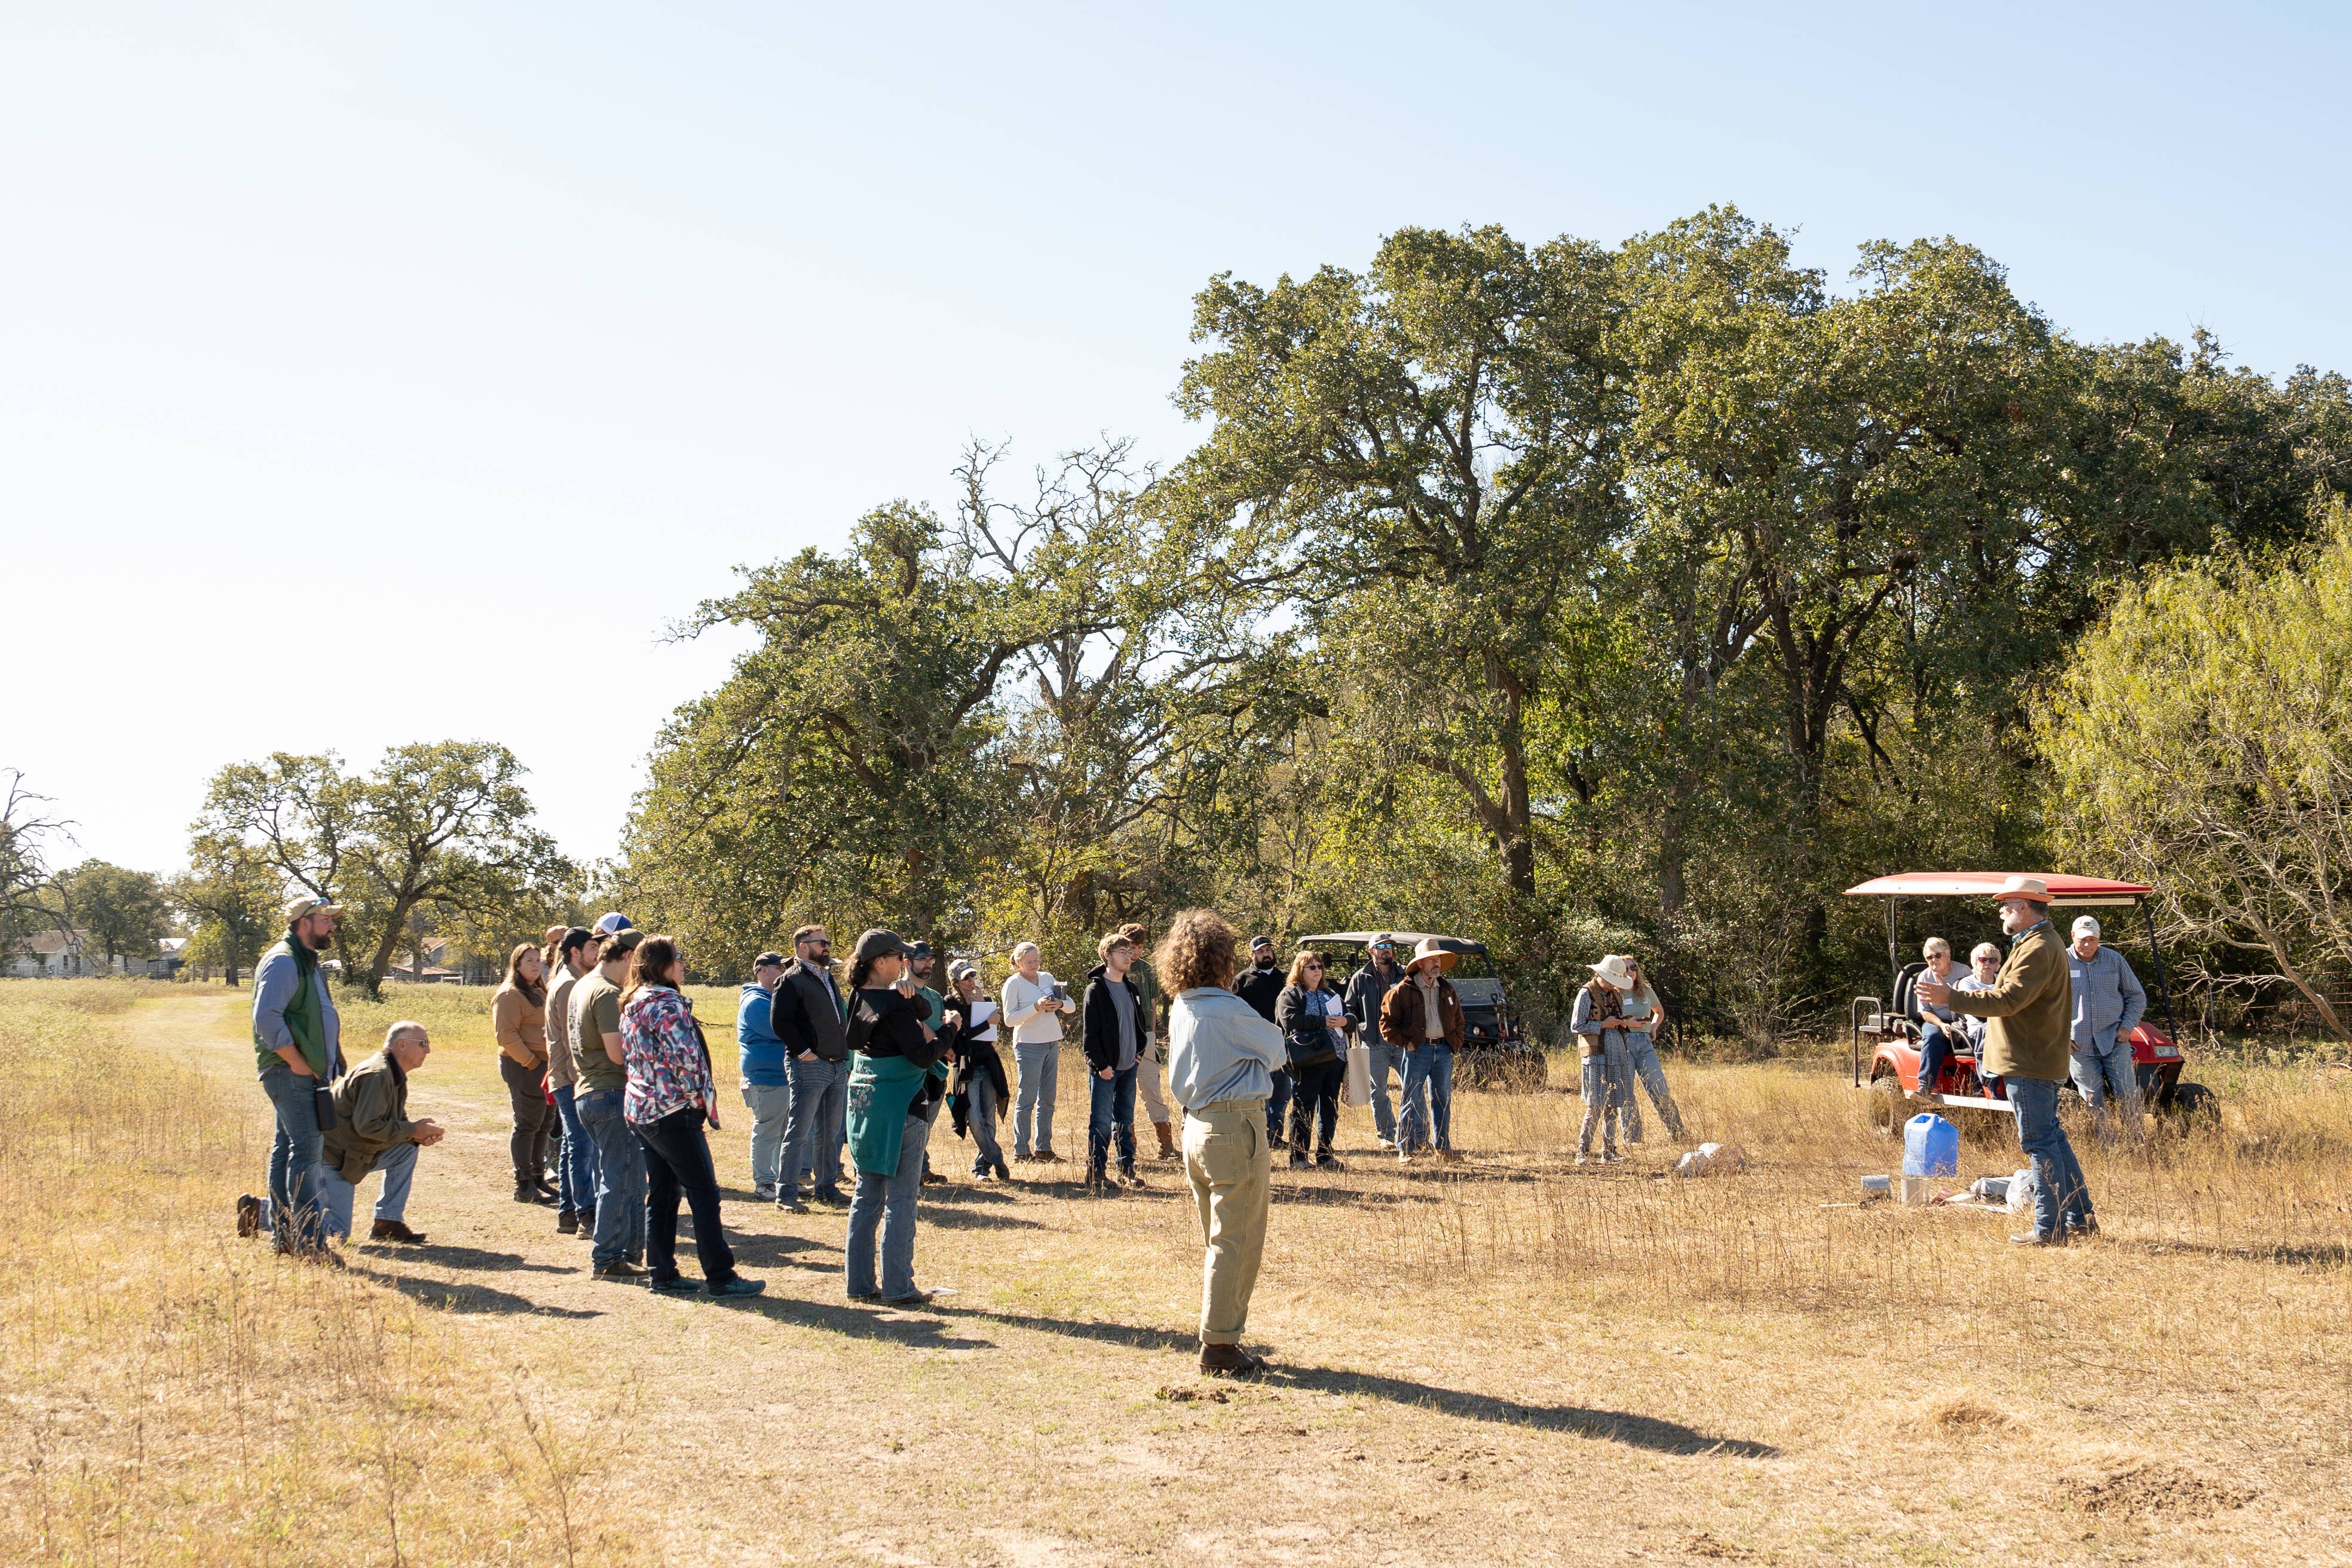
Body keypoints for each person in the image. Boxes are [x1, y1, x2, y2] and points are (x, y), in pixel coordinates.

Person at [1919, 875, 2095, 1245]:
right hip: (2032, 1056)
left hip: (2028, 1059)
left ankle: (2050, 1228)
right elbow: (2007, 997)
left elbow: (2007, 1000)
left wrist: (1950, 997)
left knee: (2039, 1141)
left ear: (2025, 907)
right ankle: (2080, 1218)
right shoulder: (2035, 943)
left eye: (2006, 904)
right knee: (2053, 1139)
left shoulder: (2038, 948)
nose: (2001, 909)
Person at [1160, 908, 1286, 1377]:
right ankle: (1219, 1344)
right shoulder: (1230, 1009)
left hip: (1196, 1127)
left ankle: (1221, 1335)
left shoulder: (1182, 1004)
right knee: (1237, 1240)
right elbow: (1276, 1052)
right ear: (1223, 959)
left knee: (1219, 1238)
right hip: (1235, 1127)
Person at [620, 936, 764, 1298]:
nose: (684, 964)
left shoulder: (633, 1002)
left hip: (643, 1109)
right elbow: (686, 1059)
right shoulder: (666, 1004)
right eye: (678, 958)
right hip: (672, 1112)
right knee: (703, 1194)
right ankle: (720, 1277)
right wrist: (695, 1099)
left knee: (665, 1194)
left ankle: (663, 1274)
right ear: (661, 964)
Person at [842, 929, 950, 1304]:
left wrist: (908, 998)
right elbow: (923, 1055)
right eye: (898, 956)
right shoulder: (893, 1001)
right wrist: (951, 1028)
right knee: (902, 1199)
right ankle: (899, 1287)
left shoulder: (860, 997)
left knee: (866, 1195)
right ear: (879, 961)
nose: (905, 962)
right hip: (903, 1104)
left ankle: (859, 1285)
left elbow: (861, 1037)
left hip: (865, 1103)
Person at [238, 895, 346, 1258]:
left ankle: (285, 1238)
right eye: (325, 919)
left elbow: (318, 1014)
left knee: (288, 1150)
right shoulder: (284, 961)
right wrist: (298, 1062)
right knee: (307, 1151)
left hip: (304, 1071)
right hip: (289, 1071)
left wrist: (334, 1056)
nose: (332, 925)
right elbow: (267, 1018)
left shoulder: (306, 961)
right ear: (305, 923)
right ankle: (307, 1242)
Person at [315, 1020, 445, 1244]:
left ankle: (388, 1222)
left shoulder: (393, 1073)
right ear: (402, 1045)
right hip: (332, 1158)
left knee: (407, 1149)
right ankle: (260, 1210)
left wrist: (417, 1135)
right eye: (423, 1043)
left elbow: (394, 1123)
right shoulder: (377, 1074)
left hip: (353, 1154)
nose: (428, 1050)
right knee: (337, 1233)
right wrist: (413, 1129)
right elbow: (368, 1126)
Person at [572, 928, 649, 1279]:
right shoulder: (606, 993)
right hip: (610, 1092)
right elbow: (618, 1053)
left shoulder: (583, 984)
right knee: (618, 1179)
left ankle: (628, 1252)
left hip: (590, 1092)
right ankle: (607, 1258)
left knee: (628, 1176)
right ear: (628, 957)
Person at [773, 924, 850, 1212]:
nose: (827, 946)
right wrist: (804, 1053)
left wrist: (843, 1058)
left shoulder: (828, 977)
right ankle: (786, 1194)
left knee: (830, 1133)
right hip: (809, 1065)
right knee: (799, 1131)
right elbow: (781, 1022)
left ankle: (827, 1188)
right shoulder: (790, 980)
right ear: (803, 947)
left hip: (835, 1064)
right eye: (822, 942)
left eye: (828, 942)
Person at [1383, 938, 1466, 1164]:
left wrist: (1454, 1042)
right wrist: (1408, 1044)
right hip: (1418, 1052)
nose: (1436, 963)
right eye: (1432, 959)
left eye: (1438, 958)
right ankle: (1405, 1149)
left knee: (1442, 1100)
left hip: (1443, 1051)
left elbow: (1459, 1019)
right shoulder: (1403, 991)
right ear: (1420, 964)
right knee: (1411, 1098)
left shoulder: (1447, 988)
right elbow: (1386, 1024)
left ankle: (1443, 1149)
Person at [2066, 915, 2149, 1143]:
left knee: (2128, 1093)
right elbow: (2044, 1004)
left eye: (2092, 939)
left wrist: (2127, 1026)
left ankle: (2136, 1143)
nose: (2087, 944)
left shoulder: (2115, 960)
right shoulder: (2059, 962)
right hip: (2078, 1043)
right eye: (2082, 939)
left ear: (2099, 938)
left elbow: (2137, 996)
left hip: (2114, 1039)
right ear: (2073, 936)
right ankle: (2107, 1146)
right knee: (2092, 1098)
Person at [1080, 931, 1150, 1193]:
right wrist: (1101, 1066)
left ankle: (1127, 1169)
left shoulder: (1131, 988)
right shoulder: (1096, 990)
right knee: (1100, 1121)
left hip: (1129, 1067)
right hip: (1105, 1070)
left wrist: (1139, 1053)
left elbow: (1139, 1024)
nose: (1129, 956)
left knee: (1125, 1118)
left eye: (1130, 952)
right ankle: (1096, 1172)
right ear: (1107, 956)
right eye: (1123, 952)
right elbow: (1091, 1035)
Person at [544, 926, 600, 1236]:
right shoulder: (568, 985)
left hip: (567, 1075)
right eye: (592, 948)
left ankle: (568, 1212)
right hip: (571, 1076)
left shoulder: (574, 980)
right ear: (575, 952)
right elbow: (572, 1040)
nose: (597, 954)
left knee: (572, 1144)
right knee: (582, 1145)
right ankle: (586, 1214)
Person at [492, 942, 555, 1205]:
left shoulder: (539, 991)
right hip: (524, 1066)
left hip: (547, 1066)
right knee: (528, 1124)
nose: (534, 965)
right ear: (516, 965)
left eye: (537, 960)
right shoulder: (509, 995)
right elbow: (506, 1035)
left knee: (545, 1123)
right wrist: (531, 1062)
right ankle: (524, 1184)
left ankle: (539, 1177)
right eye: (528, 960)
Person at [1273, 950, 1349, 1169]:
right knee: (1303, 1108)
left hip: (1335, 1059)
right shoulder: (1291, 994)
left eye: (1320, 967)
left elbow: (1350, 1015)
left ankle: (1325, 1155)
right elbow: (1290, 1020)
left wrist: (1345, 1021)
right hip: (1307, 1060)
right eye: (1312, 967)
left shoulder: (1329, 993)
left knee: (1330, 1107)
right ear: (1300, 970)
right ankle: (1298, 1157)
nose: (1318, 971)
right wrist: (1323, 1021)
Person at [1002, 942, 1069, 1164]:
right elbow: (1009, 1019)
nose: (1034, 965)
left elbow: (1071, 1006)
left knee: (1048, 1098)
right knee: (1027, 1098)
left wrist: (1059, 1003)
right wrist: (1036, 1008)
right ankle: (1021, 1150)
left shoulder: (1048, 978)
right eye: (1029, 962)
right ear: (1018, 962)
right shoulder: (1013, 984)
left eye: (1037, 960)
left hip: (1052, 1041)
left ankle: (1044, 1148)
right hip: (1028, 1044)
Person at [945, 960, 1011, 1180]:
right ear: (956, 982)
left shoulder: (986, 1001)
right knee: (974, 1118)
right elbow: (963, 1039)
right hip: (967, 1068)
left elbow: (987, 1040)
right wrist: (986, 1022)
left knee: (989, 1118)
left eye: (973, 975)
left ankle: (982, 1168)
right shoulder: (951, 1004)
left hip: (989, 1065)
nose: (971, 981)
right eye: (966, 978)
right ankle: (998, 1158)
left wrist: (983, 1007)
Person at [1121, 922, 1180, 1164]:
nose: (1135, 953)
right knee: (1124, 1093)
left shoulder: (1147, 970)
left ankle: (1166, 1146)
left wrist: (1152, 1033)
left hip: (1146, 1035)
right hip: (1122, 1037)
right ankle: (1128, 1147)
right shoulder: (1114, 968)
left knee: (1152, 1089)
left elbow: (1154, 1004)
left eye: (1139, 947)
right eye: (1131, 947)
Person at [1342, 935, 1408, 1149]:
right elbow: (1350, 1009)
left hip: (1402, 1041)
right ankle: (1387, 1136)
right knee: (1378, 1091)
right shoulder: (1360, 978)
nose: (1386, 950)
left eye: (1389, 946)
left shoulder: (1406, 974)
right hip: (1374, 1043)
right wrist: (1362, 1027)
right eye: (1380, 947)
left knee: (1412, 1088)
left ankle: (1414, 1134)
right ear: (1371, 952)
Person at [1611, 956, 1686, 1144]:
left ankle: (1677, 1132)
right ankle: (1633, 1139)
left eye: (1633, 967)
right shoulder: (1614, 993)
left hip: (1645, 1044)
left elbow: (1659, 1011)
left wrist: (1653, 1027)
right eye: (1626, 969)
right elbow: (1608, 1020)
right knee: (1627, 1093)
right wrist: (1627, 1024)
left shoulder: (1646, 991)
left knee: (1659, 1088)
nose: (1630, 972)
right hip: (1624, 1043)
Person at [1570, 954, 1637, 1164]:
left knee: (1613, 1105)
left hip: (1617, 1054)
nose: (1612, 985)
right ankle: (1583, 1151)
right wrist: (1602, 1025)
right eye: (1611, 980)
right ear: (1600, 975)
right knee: (1595, 1105)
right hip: (1596, 1055)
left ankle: (1608, 1151)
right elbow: (1577, 1026)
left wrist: (1624, 1024)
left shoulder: (1615, 996)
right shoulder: (1586, 993)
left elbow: (1616, 1022)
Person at [737, 950, 792, 1200]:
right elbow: (780, 1030)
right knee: (768, 1129)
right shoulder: (756, 1002)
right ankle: (764, 1181)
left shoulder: (771, 998)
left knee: (781, 1130)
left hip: (780, 1075)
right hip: (766, 1077)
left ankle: (781, 1179)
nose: (784, 971)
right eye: (779, 967)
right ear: (762, 971)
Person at [1234, 935, 1291, 1148]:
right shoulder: (1242, 980)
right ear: (1252, 955)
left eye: (1268, 950)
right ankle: (1262, 1135)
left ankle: (1276, 1136)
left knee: (1282, 1094)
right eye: (1260, 951)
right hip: (1257, 1045)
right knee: (1262, 1093)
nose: (1266, 954)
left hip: (1284, 1043)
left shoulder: (1285, 978)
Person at [1909, 937, 1968, 1102]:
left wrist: (1959, 1025)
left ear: (1948, 956)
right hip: (1937, 1019)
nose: (1934, 960)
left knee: (1979, 1035)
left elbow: (1973, 1001)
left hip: (1963, 1017)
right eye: (1929, 957)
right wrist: (1942, 1025)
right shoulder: (1924, 978)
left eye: (1937, 955)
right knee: (1932, 1037)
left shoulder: (1964, 972)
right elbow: (1925, 1011)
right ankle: (1925, 1087)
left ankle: (1981, 1086)